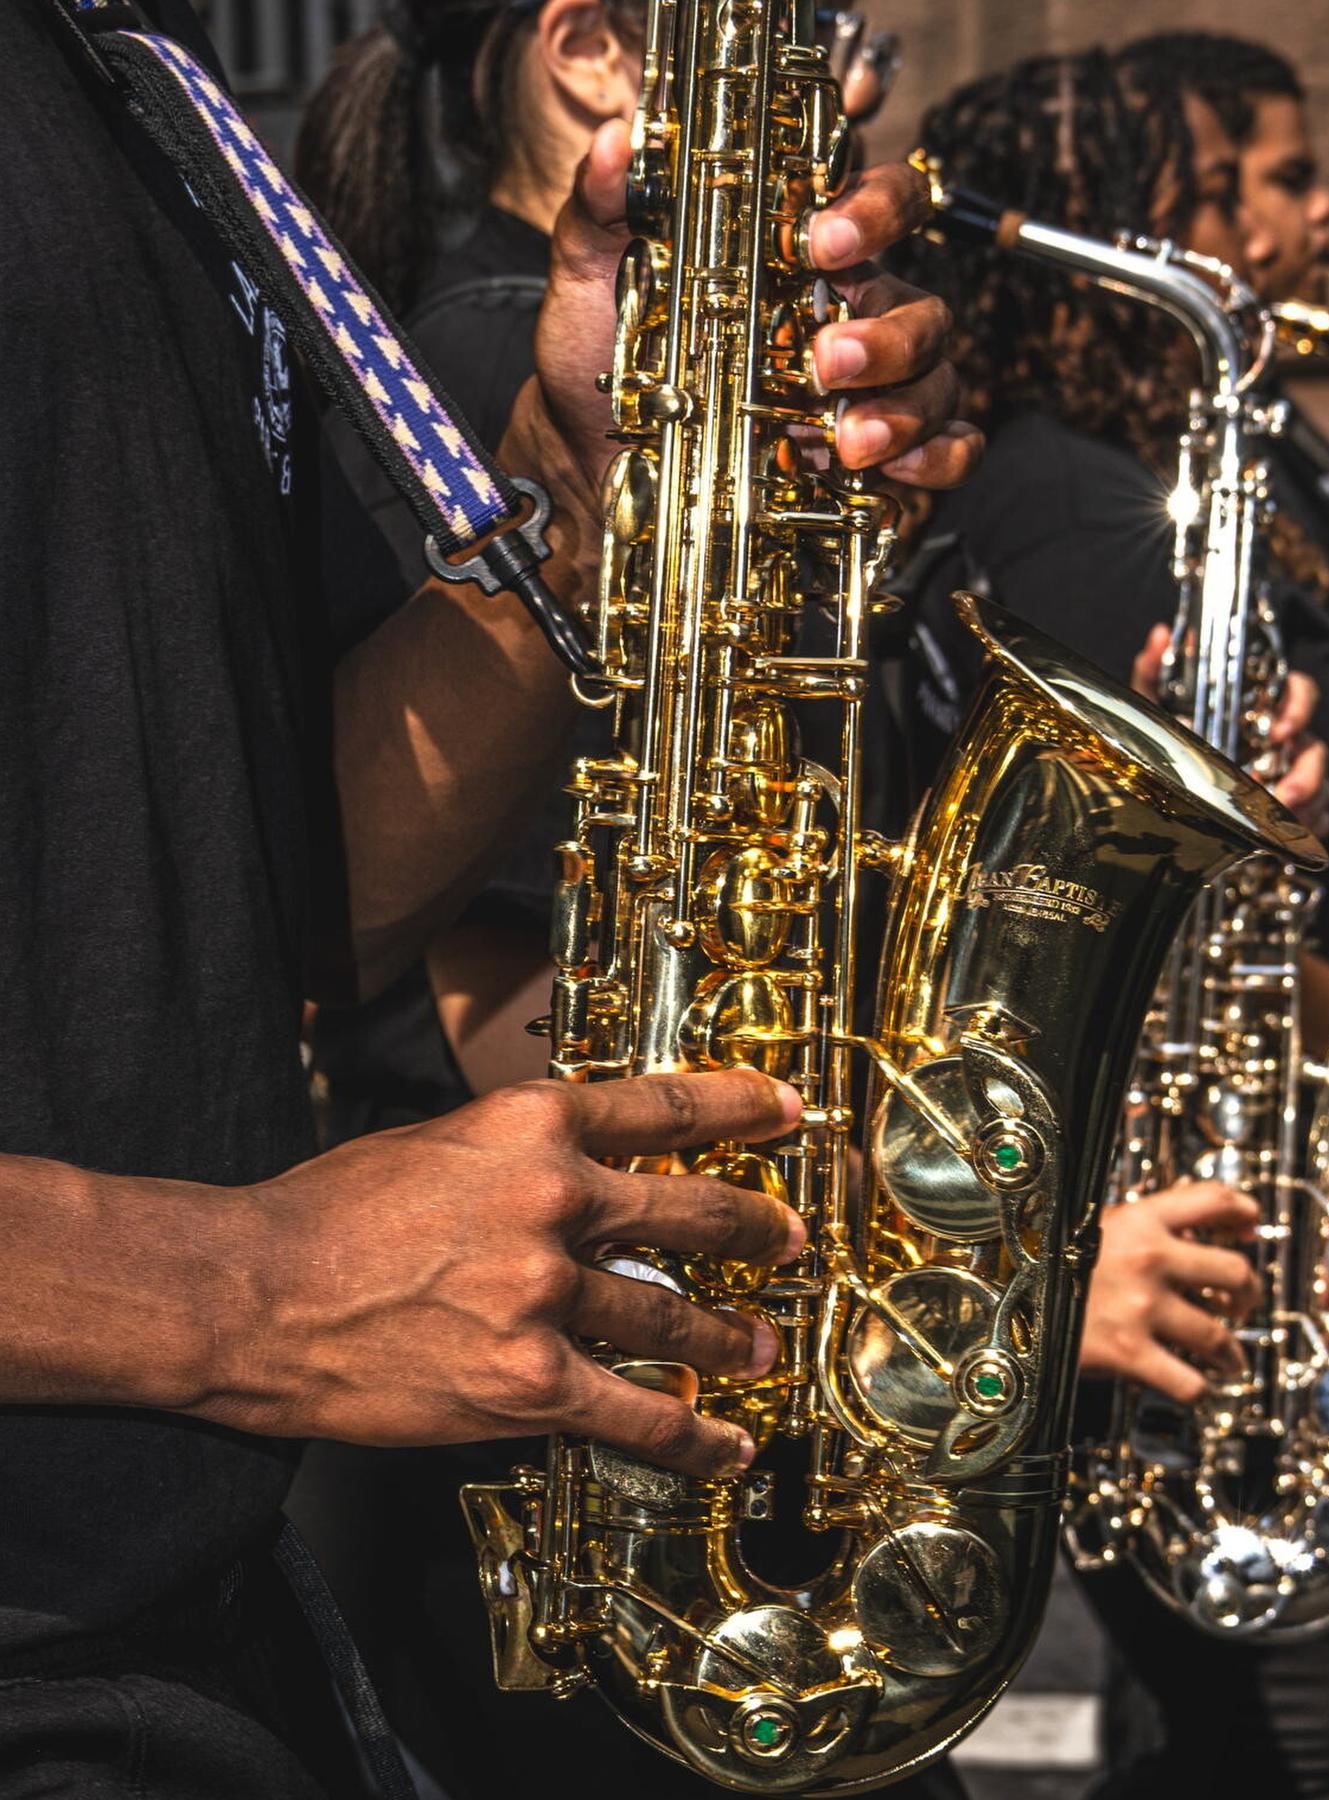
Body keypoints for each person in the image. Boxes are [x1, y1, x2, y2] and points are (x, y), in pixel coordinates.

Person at [0, 1, 974, 1793]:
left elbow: (263, 935)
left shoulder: (125, 91)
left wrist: (599, 489)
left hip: (187, 1618)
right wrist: (247, 1290)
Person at [892, 34, 1329, 1800]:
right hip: (1205, 1179)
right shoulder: (1071, 503)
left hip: (1271, 1153)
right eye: (1212, 198)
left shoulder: (1179, 485)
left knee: (1310, 1727)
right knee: (1305, 1736)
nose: (1271, 231)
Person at [286, 9, 967, 1795]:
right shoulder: (481, 353)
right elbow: (470, 968)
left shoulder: (590, 355)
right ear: (595, 48)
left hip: (664, 1348)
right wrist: (906, 1228)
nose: (855, 69)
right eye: (820, 33)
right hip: (589, 1385)